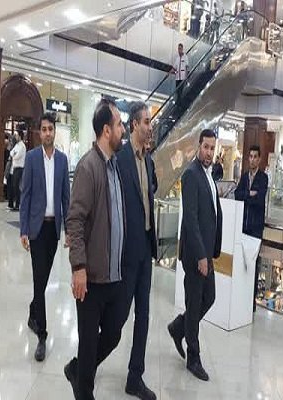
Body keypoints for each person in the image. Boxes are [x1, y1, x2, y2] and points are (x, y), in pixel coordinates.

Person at [64, 99, 126, 400]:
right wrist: (78, 268)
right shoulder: (88, 167)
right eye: (119, 124)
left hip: (113, 276)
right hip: (91, 278)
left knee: (113, 334)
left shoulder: (114, 166)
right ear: (106, 130)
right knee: (89, 344)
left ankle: (78, 369)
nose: (123, 130)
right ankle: (83, 385)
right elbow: (74, 220)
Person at [167, 129, 222, 382]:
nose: (209, 152)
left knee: (208, 297)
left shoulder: (209, 175)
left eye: (212, 148)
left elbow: (211, 213)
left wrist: (210, 252)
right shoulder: (190, 174)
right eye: (206, 147)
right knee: (195, 302)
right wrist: (201, 256)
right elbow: (190, 219)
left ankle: (179, 327)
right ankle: (193, 358)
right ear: (198, 147)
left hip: (206, 253)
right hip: (195, 255)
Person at [114, 102, 158, 400]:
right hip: (126, 250)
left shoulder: (148, 160)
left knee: (144, 314)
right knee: (118, 317)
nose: (150, 127)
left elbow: (150, 192)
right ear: (133, 125)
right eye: (146, 122)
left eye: (150, 122)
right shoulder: (121, 159)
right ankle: (85, 363)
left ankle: (135, 375)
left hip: (145, 246)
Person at [19, 113, 70, 362]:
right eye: (44, 129)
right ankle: (42, 334)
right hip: (37, 229)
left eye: (51, 129)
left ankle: (32, 311)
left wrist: (69, 230)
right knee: (39, 280)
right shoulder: (31, 158)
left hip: (53, 230)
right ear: (39, 132)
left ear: (55, 131)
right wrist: (23, 230)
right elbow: (26, 195)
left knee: (43, 277)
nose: (48, 133)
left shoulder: (62, 160)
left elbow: (66, 198)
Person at [234, 145, 268, 311]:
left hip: (255, 229)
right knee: (241, 263)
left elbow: (259, 200)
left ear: (259, 159)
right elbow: (237, 195)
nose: (252, 159)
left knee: (253, 265)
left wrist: (247, 196)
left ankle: (251, 301)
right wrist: (249, 194)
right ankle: (241, 298)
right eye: (251, 156)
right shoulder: (244, 177)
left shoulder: (263, 178)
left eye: (255, 156)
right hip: (243, 227)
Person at [9, 131, 26, 211]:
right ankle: (13, 204)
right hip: (14, 168)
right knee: (13, 186)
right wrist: (13, 154)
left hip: (20, 168)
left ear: (20, 136)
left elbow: (17, 156)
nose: (15, 137)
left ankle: (18, 205)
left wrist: (14, 155)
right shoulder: (17, 145)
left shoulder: (22, 146)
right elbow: (11, 153)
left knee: (17, 187)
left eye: (17, 135)